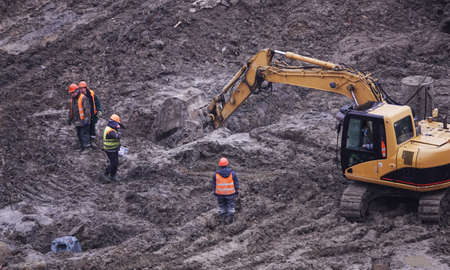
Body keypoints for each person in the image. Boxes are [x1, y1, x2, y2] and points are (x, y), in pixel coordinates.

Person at [211, 157, 239, 224]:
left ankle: (222, 221)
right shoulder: (232, 173)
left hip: (220, 194)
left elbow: (214, 185)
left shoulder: (216, 174)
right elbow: (236, 183)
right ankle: (230, 221)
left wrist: (215, 192)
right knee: (231, 206)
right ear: (227, 164)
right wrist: (236, 191)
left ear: (219, 165)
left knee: (221, 207)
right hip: (230, 194)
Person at [68, 83, 91, 152]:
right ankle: (82, 147)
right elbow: (71, 110)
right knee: (79, 134)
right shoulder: (73, 100)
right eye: (71, 93)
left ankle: (87, 148)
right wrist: (70, 119)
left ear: (77, 91)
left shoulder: (83, 98)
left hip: (84, 120)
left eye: (73, 92)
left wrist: (86, 119)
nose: (72, 94)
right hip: (77, 121)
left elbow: (87, 109)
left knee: (84, 134)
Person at [103, 114, 122, 181]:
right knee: (113, 163)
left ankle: (112, 175)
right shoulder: (110, 130)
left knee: (115, 163)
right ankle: (106, 174)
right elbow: (117, 136)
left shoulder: (111, 127)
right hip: (110, 149)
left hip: (114, 149)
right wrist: (119, 130)